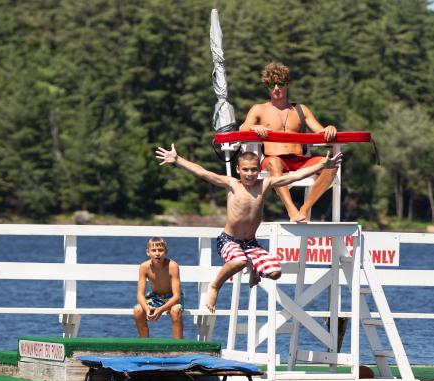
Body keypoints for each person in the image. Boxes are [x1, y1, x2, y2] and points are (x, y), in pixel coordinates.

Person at [154, 144, 342, 312]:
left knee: (275, 273)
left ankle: (253, 268)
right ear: (238, 170)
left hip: (250, 243)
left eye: (253, 170)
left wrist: (320, 166)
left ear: (259, 171)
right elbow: (204, 173)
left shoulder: (266, 184)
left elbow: (295, 175)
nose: (250, 174)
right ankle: (215, 287)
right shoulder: (232, 184)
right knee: (238, 262)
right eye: (245, 170)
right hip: (229, 240)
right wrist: (177, 160)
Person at [240, 61, 338, 222]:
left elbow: (320, 131)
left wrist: (330, 128)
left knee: (332, 163)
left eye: (280, 83)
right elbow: (241, 133)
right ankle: (291, 209)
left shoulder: (301, 109)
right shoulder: (259, 109)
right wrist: (254, 128)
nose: (276, 87)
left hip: (300, 160)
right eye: (272, 84)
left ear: (287, 84)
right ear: (267, 87)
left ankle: (305, 208)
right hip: (274, 159)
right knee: (275, 163)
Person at [134, 236, 184, 339]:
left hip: (172, 299)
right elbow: (140, 294)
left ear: (166, 252)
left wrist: (160, 310)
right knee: (138, 310)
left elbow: (177, 296)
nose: (157, 253)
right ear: (148, 252)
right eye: (153, 250)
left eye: (160, 250)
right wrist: (147, 309)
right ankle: (145, 344)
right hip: (155, 297)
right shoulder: (144, 267)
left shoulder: (173, 266)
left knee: (175, 310)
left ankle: (177, 346)